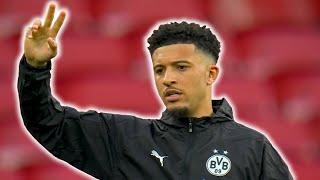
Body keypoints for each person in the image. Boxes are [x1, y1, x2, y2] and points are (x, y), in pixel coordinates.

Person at [17, 2, 294, 180]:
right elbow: (47, 123)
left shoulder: (252, 148)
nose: (168, 79)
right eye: (160, 70)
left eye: (181, 67)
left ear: (211, 74)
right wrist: (35, 66)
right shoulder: (125, 139)